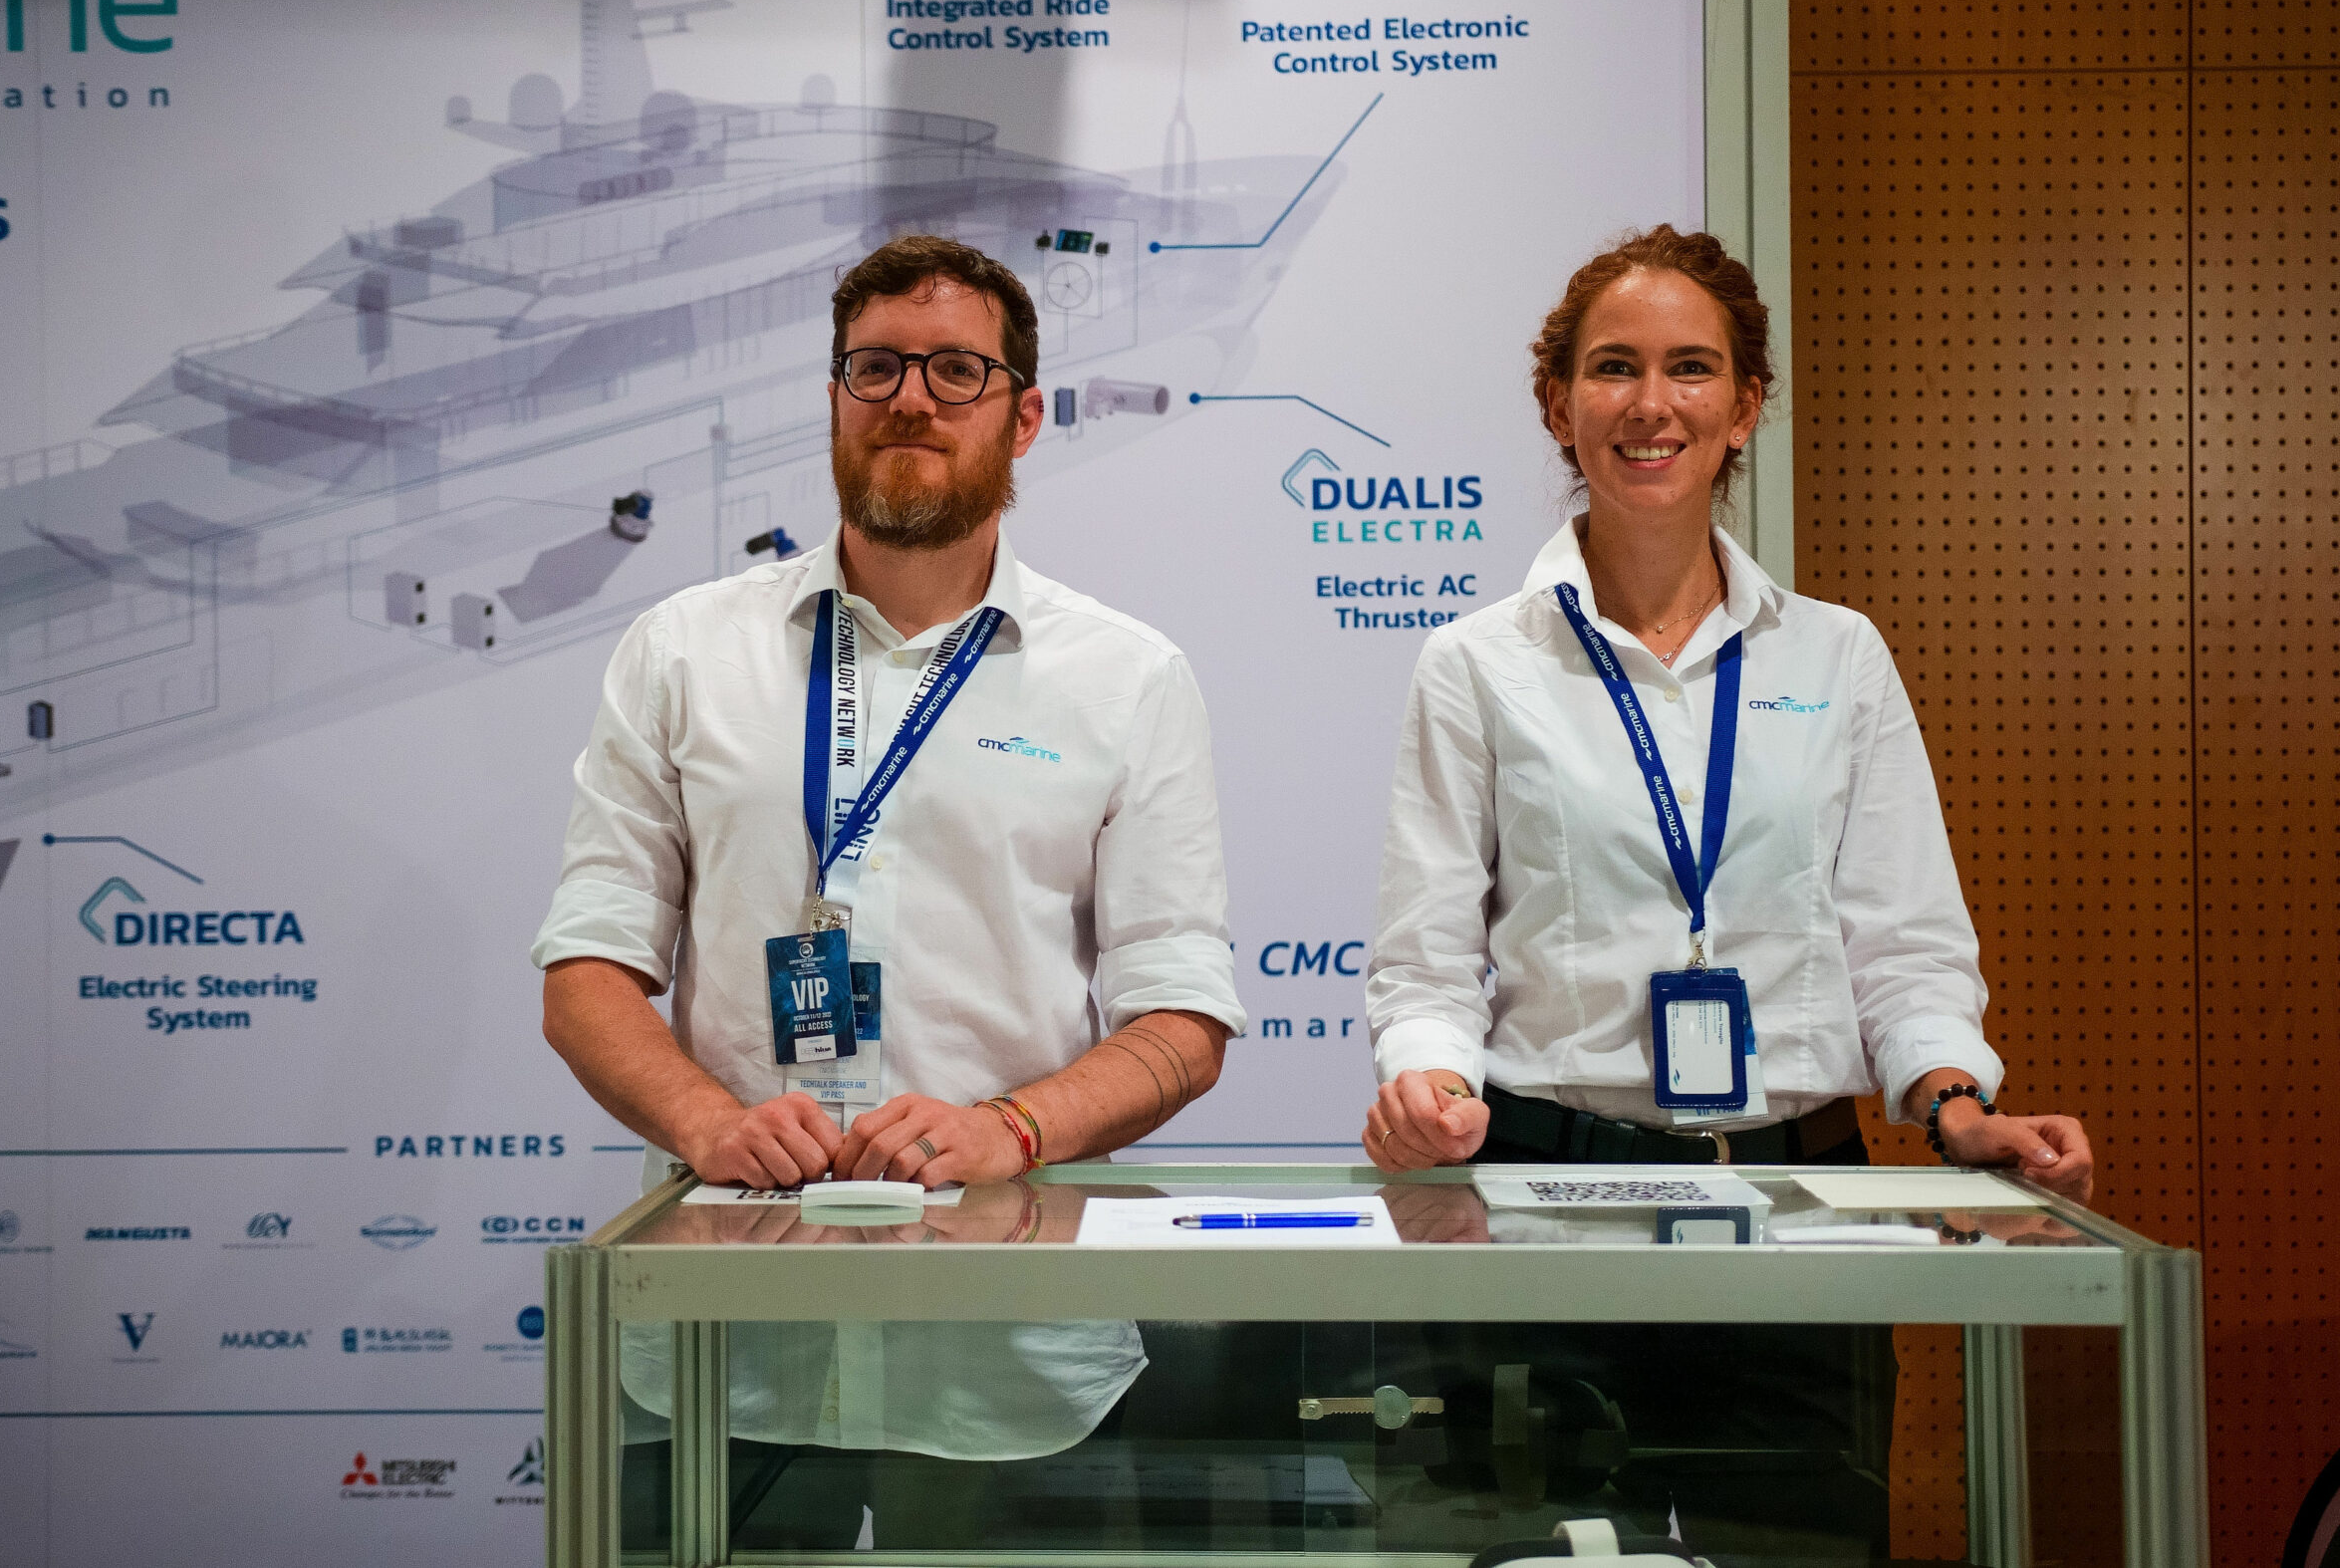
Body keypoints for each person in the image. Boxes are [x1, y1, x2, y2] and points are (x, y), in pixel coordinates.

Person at [1356, 224, 2096, 1547]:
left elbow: (1904, 944)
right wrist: (1431, 1083)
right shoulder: (1476, 664)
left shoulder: (1838, 657)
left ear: (1746, 405)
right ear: (1558, 405)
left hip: (1800, 1213)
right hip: (1544, 1205)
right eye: (1614, 368)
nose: (1651, 403)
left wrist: (1957, 1105)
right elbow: (1426, 959)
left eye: (1690, 368)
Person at [529, 232, 1243, 1544]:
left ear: (1024, 416)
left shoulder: (1127, 679)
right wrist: (707, 1123)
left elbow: (1182, 1020)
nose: (912, 398)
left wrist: (1012, 1129)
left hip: (1008, 1364)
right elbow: (587, 972)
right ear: (834, 399)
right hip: (721, 1352)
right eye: (877, 368)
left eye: (957, 371)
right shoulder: (683, 651)